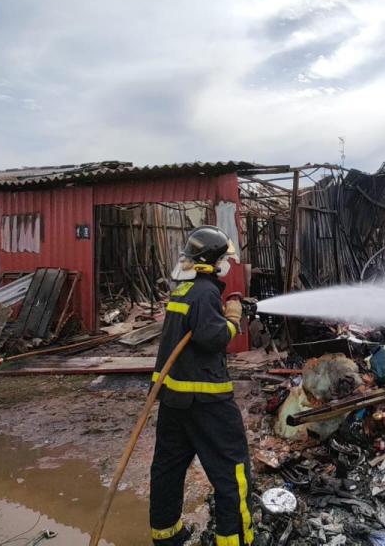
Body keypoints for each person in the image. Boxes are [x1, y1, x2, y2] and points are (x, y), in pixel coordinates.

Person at [149, 226, 252, 546]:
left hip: (173, 399)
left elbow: (193, 329)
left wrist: (225, 313)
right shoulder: (206, 291)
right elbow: (212, 338)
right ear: (212, 261)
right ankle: (233, 540)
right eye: (224, 259)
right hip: (206, 400)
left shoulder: (183, 290)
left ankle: (167, 536)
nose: (227, 264)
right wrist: (233, 319)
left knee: (168, 469)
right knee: (233, 471)